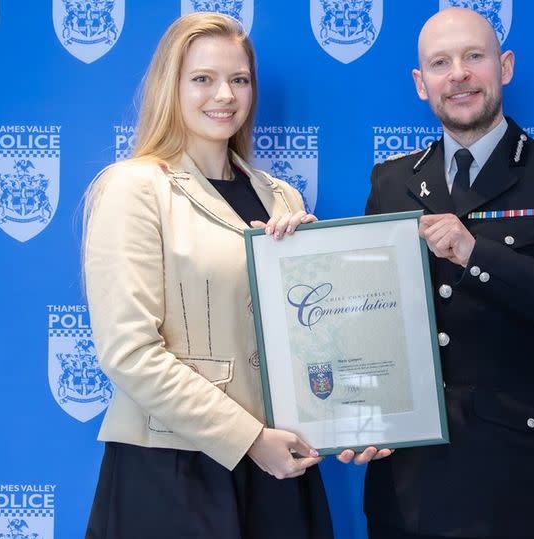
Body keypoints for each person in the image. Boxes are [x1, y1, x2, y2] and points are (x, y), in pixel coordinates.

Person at [345, 7, 534, 539]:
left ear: (506, 66)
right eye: (440, 62)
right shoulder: (391, 181)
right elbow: (370, 321)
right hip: (409, 486)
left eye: (475, 56)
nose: (458, 74)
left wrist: (478, 255)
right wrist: (354, 414)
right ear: (420, 83)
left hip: (520, 484)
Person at [82, 13, 333, 539]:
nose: (224, 94)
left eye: (239, 79)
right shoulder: (134, 188)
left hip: (279, 462)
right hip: (175, 467)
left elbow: (311, 339)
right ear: (170, 86)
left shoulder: (282, 198)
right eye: (203, 78)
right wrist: (247, 439)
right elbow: (130, 352)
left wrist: (312, 265)